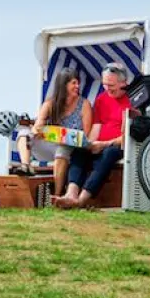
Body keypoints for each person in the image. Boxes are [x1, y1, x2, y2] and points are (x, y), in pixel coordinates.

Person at [52, 62, 135, 209]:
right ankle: (70, 194)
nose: (107, 89)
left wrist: (104, 144)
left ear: (123, 83)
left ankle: (81, 200)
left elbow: (130, 135)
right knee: (80, 151)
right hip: (100, 144)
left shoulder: (133, 99)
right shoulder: (101, 99)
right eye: (104, 84)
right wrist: (89, 143)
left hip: (119, 145)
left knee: (108, 153)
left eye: (111, 85)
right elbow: (97, 126)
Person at [31, 66, 92, 197]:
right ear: (63, 85)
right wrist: (41, 130)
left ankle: (57, 195)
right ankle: (25, 166)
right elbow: (37, 127)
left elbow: (86, 136)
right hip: (50, 146)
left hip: (72, 147)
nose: (77, 86)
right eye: (73, 83)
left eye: (78, 83)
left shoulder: (84, 104)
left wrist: (58, 135)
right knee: (24, 134)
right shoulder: (50, 104)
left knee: (62, 148)